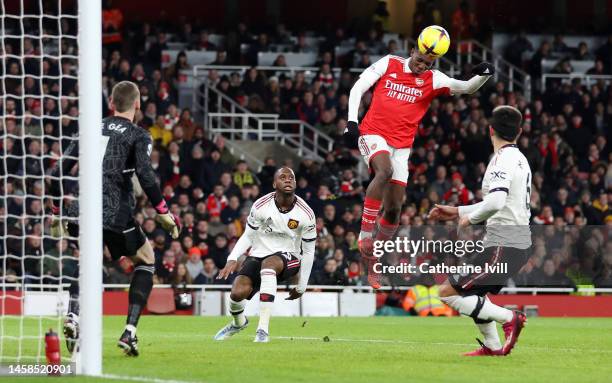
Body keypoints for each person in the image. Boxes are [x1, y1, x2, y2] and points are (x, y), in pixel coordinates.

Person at [344, 28, 494, 288]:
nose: (421, 65)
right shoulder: (389, 62)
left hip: (402, 147)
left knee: (394, 209)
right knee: (384, 171)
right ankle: (365, 234)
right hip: (372, 133)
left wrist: (483, 75)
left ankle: (374, 260)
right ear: (412, 50)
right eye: (419, 59)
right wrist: (351, 122)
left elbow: (467, 88)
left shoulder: (433, 80)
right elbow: (358, 87)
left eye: (427, 63)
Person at [52, 81, 181, 356]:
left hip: (80, 209)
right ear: (137, 104)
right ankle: (129, 332)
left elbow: (57, 172)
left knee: (87, 259)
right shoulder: (139, 135)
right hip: (114, 211)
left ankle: (73, 316)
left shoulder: (89, 129)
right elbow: (146, 176)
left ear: (111, 102)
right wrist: (163, 211)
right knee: (146, 260)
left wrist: (55, 210)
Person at [428, 106, 531, 356]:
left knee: (447, 293)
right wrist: (458, 210)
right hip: (511, 241)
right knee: (476, 293)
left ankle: (510, 318)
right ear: (519, 132)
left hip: (505, 242)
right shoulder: (519, 158)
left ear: (490, 130)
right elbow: (498, 201)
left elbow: (495, 203)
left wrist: (470, 219)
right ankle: (493, 347)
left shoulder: (502, 159)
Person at [213, 167, 316, 343]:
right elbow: (248, 235)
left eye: (291, 177)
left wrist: (302, 286)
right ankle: (239, 323)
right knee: (237, 293)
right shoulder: (260, 206)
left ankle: (262, 330)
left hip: (289, 257)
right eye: (283, 177)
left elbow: (308, 250)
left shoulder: (306, 214)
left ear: (296, 183)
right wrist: (233, 258)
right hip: (259, 254)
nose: (288, 180)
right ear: (275, 183)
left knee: (270, 265)